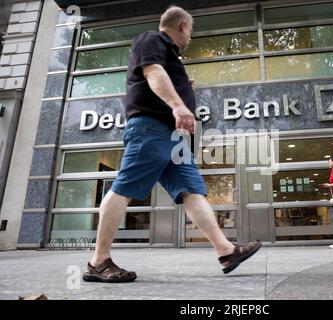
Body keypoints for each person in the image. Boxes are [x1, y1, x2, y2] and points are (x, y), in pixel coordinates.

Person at [82, 6, 261, 283]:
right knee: (126, 186)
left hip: (172, 135)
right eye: (191, 31)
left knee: (191, 189)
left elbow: (160, 74)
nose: (190, 38)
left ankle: (226, 251)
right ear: (183, 26)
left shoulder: (170, 56)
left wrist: (182, 89)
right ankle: (99, 261)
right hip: (151, 128)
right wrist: (178, 105)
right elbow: (152, 72)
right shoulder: (151, 39)